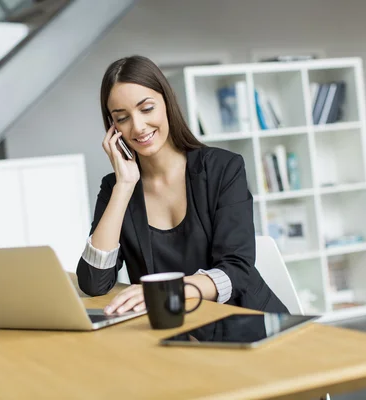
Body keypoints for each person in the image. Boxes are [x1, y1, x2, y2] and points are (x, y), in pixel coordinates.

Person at [76, 55, 288, 316]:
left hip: (244, 322)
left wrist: (166, 290)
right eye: (122, 118)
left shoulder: (223, 168)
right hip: (172, 328)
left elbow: (237, 271)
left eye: (146, 109)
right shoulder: (117, 187)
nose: (138, 127)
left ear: (167, 101)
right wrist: (124, 186)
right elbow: (94, 283)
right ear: (113, 127)